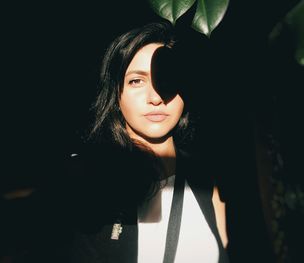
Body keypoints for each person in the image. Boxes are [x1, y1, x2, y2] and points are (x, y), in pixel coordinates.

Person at [2, 21, 230, 263]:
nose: (155, 97)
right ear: (116, 93)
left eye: (167, 77)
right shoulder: (86, 181)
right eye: (136, 81)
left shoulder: (207, 178)